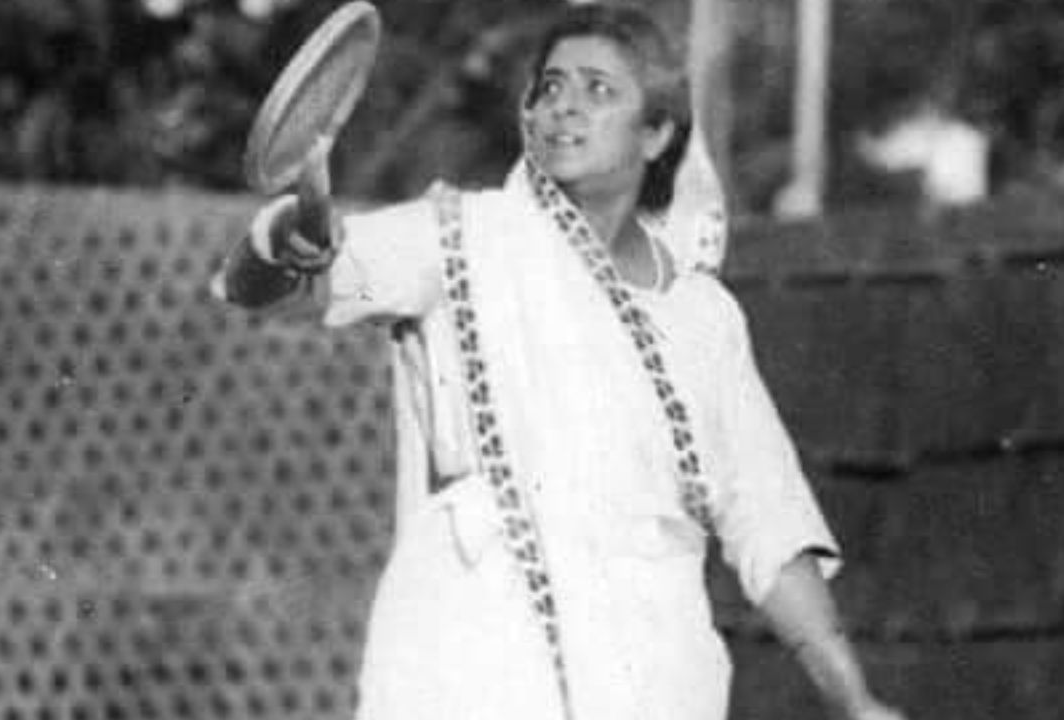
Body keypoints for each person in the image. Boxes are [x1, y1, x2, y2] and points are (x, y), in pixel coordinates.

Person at [215, 5, 907, 720]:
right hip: (477, 651)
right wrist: (288, 243)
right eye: (550, 86)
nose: (563, 107)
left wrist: (855, 701)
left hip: (657, 671)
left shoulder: (706, 317)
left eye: (598, 90)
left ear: (656, 133)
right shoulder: (461, 235)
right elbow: (282, 287)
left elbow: (768, 519)